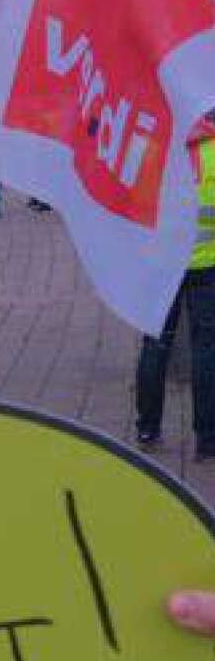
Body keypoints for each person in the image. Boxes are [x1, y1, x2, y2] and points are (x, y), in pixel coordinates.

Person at [134, 114, 215, 460]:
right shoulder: (213, 148)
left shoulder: (154, 146)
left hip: (160, 264)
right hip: (208, 263)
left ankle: (148, 426)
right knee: (206, 348)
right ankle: (207, 438)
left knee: (154, 344)